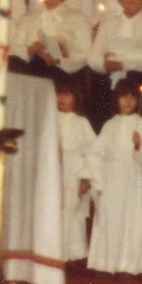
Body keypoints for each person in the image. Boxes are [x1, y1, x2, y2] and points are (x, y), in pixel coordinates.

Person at [86, 83, 142, 276]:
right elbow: (96, 154)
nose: (128, 101)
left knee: (131, 220)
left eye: (132, 97)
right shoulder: (110, 125)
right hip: (111, 180)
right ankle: (105, 262)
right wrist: (98, 182)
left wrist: (139, 145)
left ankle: (129, 265)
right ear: (116, 99)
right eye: (124, 97)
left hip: (132, 179)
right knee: (109, 220)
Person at [11, 0, 92, 77]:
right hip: (33, 73)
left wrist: (60, 60)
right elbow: (15, 50)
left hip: (66, 76)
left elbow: (85, 53)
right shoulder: (29, 19)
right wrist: (29, 50)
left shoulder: (77, 18)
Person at [55, 77, 95, 264]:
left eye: (66, 94)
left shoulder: (81, 122)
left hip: (74, 170)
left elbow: (92, 152)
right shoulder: (50, 119)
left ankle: (71, 253)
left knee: (72, 210)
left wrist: (85, 178)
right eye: (58, 94)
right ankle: (53, 253)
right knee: (55, 209)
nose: (61, 98)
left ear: (75, 97)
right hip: (54, 170)